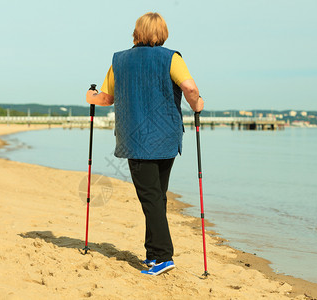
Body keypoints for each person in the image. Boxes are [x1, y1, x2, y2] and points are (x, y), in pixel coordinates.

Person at [86, 12, 204, 276]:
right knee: (157, 196)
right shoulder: (172, 58)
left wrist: (90, 96)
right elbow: (191, 89)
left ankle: (163, 256)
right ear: (162, 33)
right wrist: (197, 104)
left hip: (137, 141)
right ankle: (153, 253)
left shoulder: (120, 60)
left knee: (151, 197)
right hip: (168, 137)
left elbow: (106, 99)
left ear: (136, 32)